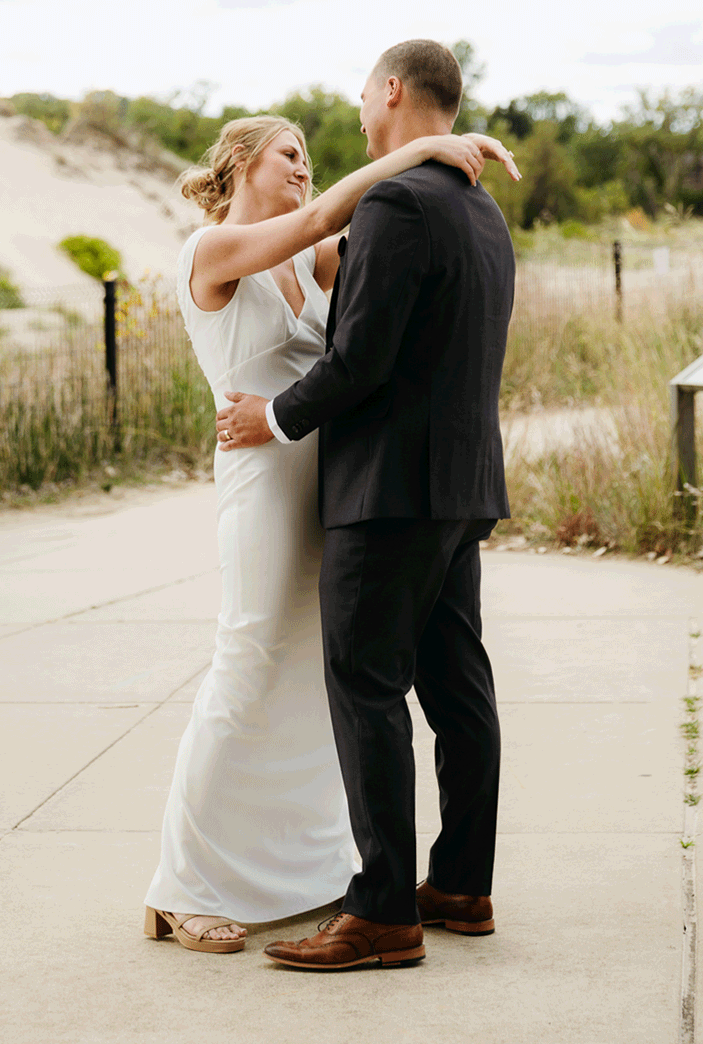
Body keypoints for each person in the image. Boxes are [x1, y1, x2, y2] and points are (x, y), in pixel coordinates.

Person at [143, 100, 518, 955]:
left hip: (335, 484)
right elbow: (325, 214)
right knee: (245, 662)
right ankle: (183, 886)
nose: (304, 165)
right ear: (239, 164)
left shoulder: (312, 263)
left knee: (319, 679)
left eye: (310, 153)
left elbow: (390, 270)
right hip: (264, 475)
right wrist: (426, 144)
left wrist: (445, 190)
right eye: (287, 152)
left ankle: (304, 871)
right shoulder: (214, 252)